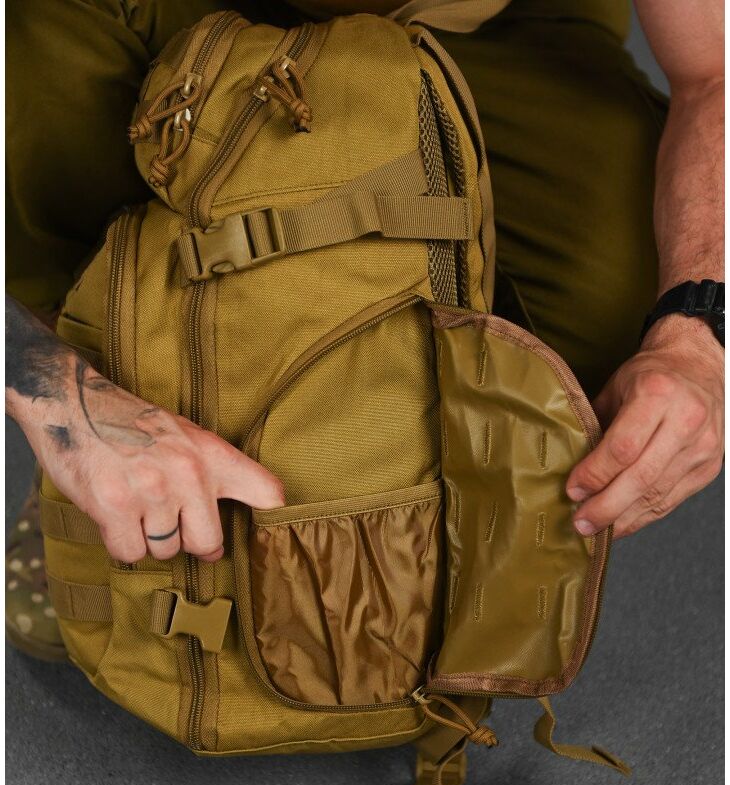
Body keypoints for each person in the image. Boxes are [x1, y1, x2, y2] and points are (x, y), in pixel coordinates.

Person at [5, 0, 724, 659]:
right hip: (169, 13)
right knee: (38, 55)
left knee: (613, 297)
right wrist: (61, 397)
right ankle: (115, 393)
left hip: (487, 36)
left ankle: (403, 512)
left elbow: (715, 72)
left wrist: (699, 331)